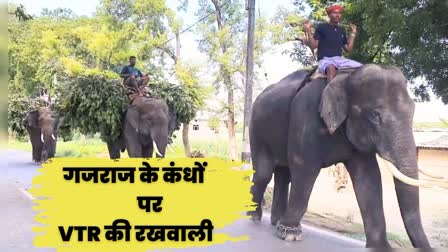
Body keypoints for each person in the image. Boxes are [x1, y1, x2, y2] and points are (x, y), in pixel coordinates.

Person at [303, 4, 362, 82]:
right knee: (331, 68)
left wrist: (353, 33)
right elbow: (314, 46)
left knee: (362, 68)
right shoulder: (322, 27)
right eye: (335, 13)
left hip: (339, 60)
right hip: (325, 60)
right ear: (329, 15)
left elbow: (348, 49)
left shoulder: (341, 30)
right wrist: (308, 30)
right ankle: (330, 92)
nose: (337, 15)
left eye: (339, 13)